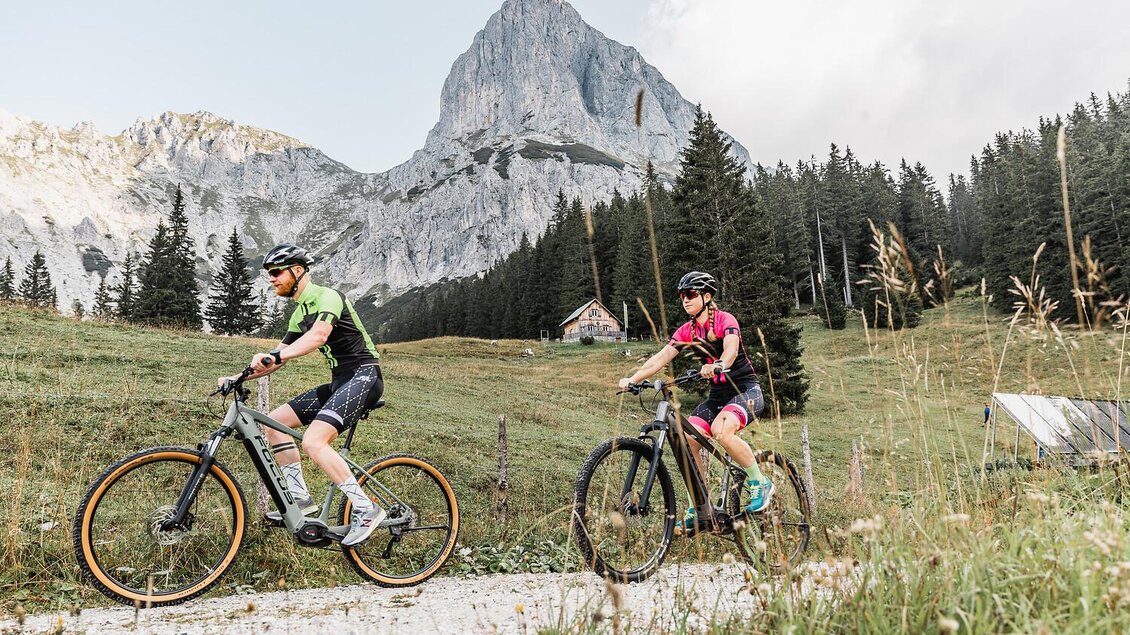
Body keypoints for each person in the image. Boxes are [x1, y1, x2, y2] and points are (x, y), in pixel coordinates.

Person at [218, 244, 385, 547]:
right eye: (268, 274)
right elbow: (276, 357)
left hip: (365, 376)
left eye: (276, 272)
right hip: (340, 381)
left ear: (297, 271)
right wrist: (239, 376)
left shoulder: (327, 297)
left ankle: (365, 509)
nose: (271, 279)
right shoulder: (300, 314)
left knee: (313, 441)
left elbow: (318, 336)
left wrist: (275, 357)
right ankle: (302, 501)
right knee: (273, 423)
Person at [617, 271, 770, 536]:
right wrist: (633, 378)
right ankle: (700, 509)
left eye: (690, 294)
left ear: (706, 296)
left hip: (745, 390)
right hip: (717, 398)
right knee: (686, 442)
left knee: (722, 431)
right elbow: (660, 358)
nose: (685, 300)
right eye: (681, 295)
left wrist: (721, 364)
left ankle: (760, 482)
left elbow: (731, 349)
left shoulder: (725, 320)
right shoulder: (687, 330)